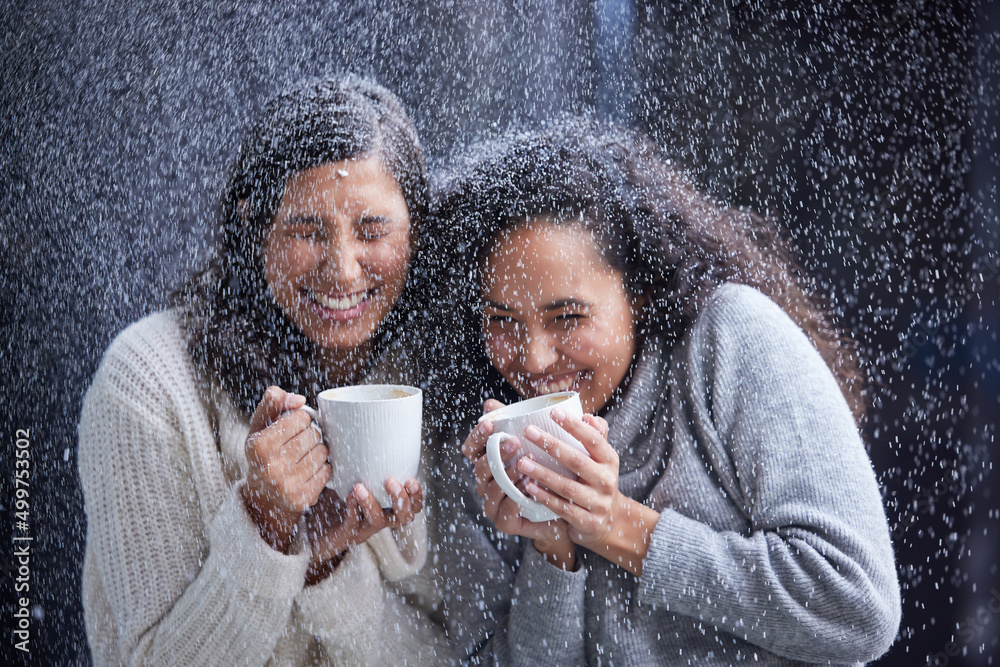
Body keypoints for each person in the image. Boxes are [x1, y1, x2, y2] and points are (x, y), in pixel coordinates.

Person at [431, 119, 902, 664]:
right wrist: (553, 550)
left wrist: (617, 527)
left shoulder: (730, 339)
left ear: (642, 290)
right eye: (501, 319)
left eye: (566, 316)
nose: (532, 357)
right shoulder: (476, 437)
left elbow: (858, 608)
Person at [78, 75, 448, 665]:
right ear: (254, 226)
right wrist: (265, 524)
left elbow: (448, 649)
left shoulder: (431, 369)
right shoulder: (148, 381)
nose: (344, 271)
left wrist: (327, 564)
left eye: (373, 231)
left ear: (415, 232)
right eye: (306, 230)